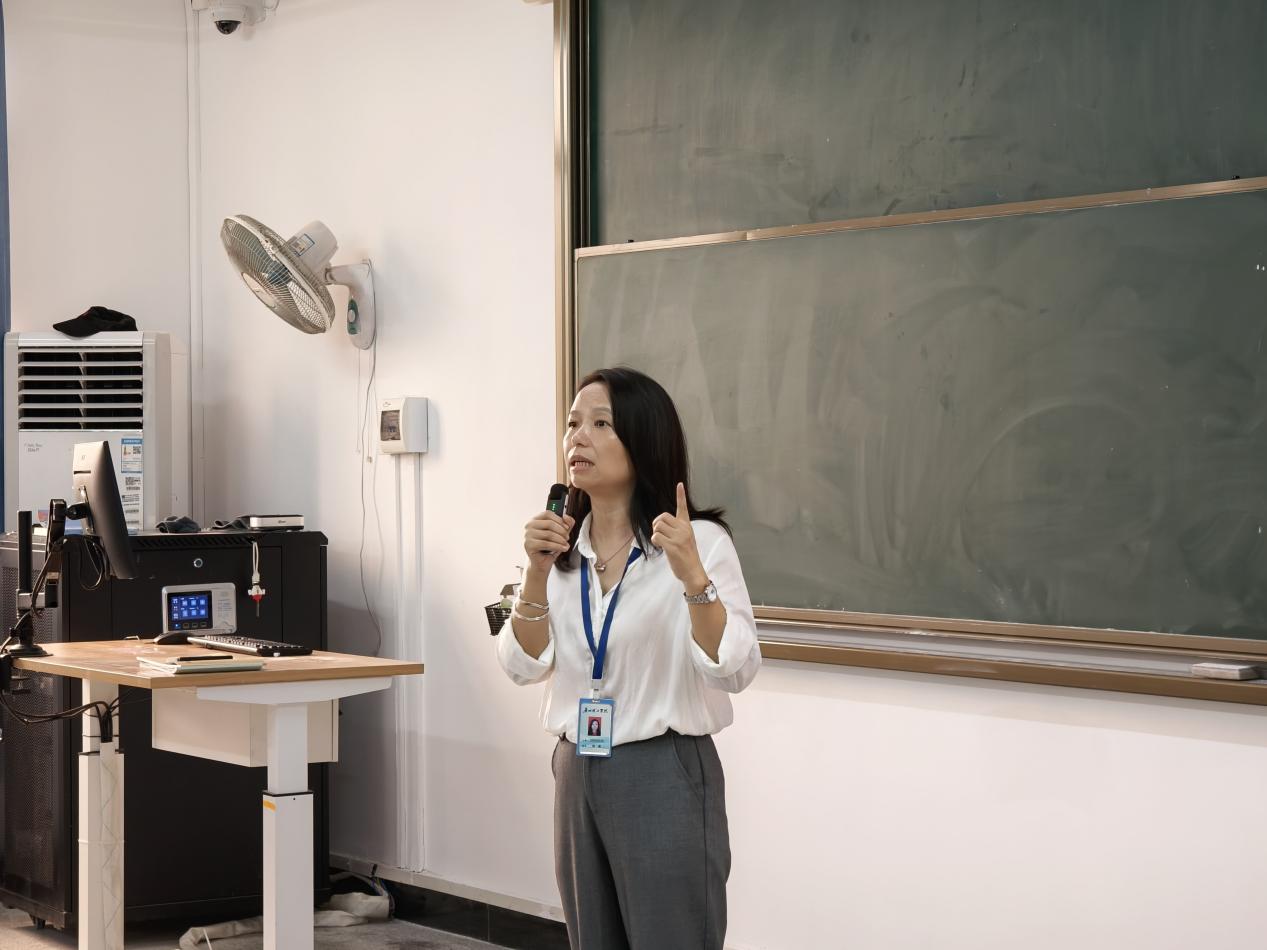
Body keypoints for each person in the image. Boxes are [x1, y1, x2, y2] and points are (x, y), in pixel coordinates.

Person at [497, 366, 761, 950]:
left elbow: (735, 668)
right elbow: (522, 665)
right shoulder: (560, 548)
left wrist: (693, 578)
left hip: (662, 769)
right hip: (576, 768)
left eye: (600, 424)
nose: (577, 437)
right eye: (572, 424)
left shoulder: (699, 543)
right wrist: (537, 573)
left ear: (643, 440)